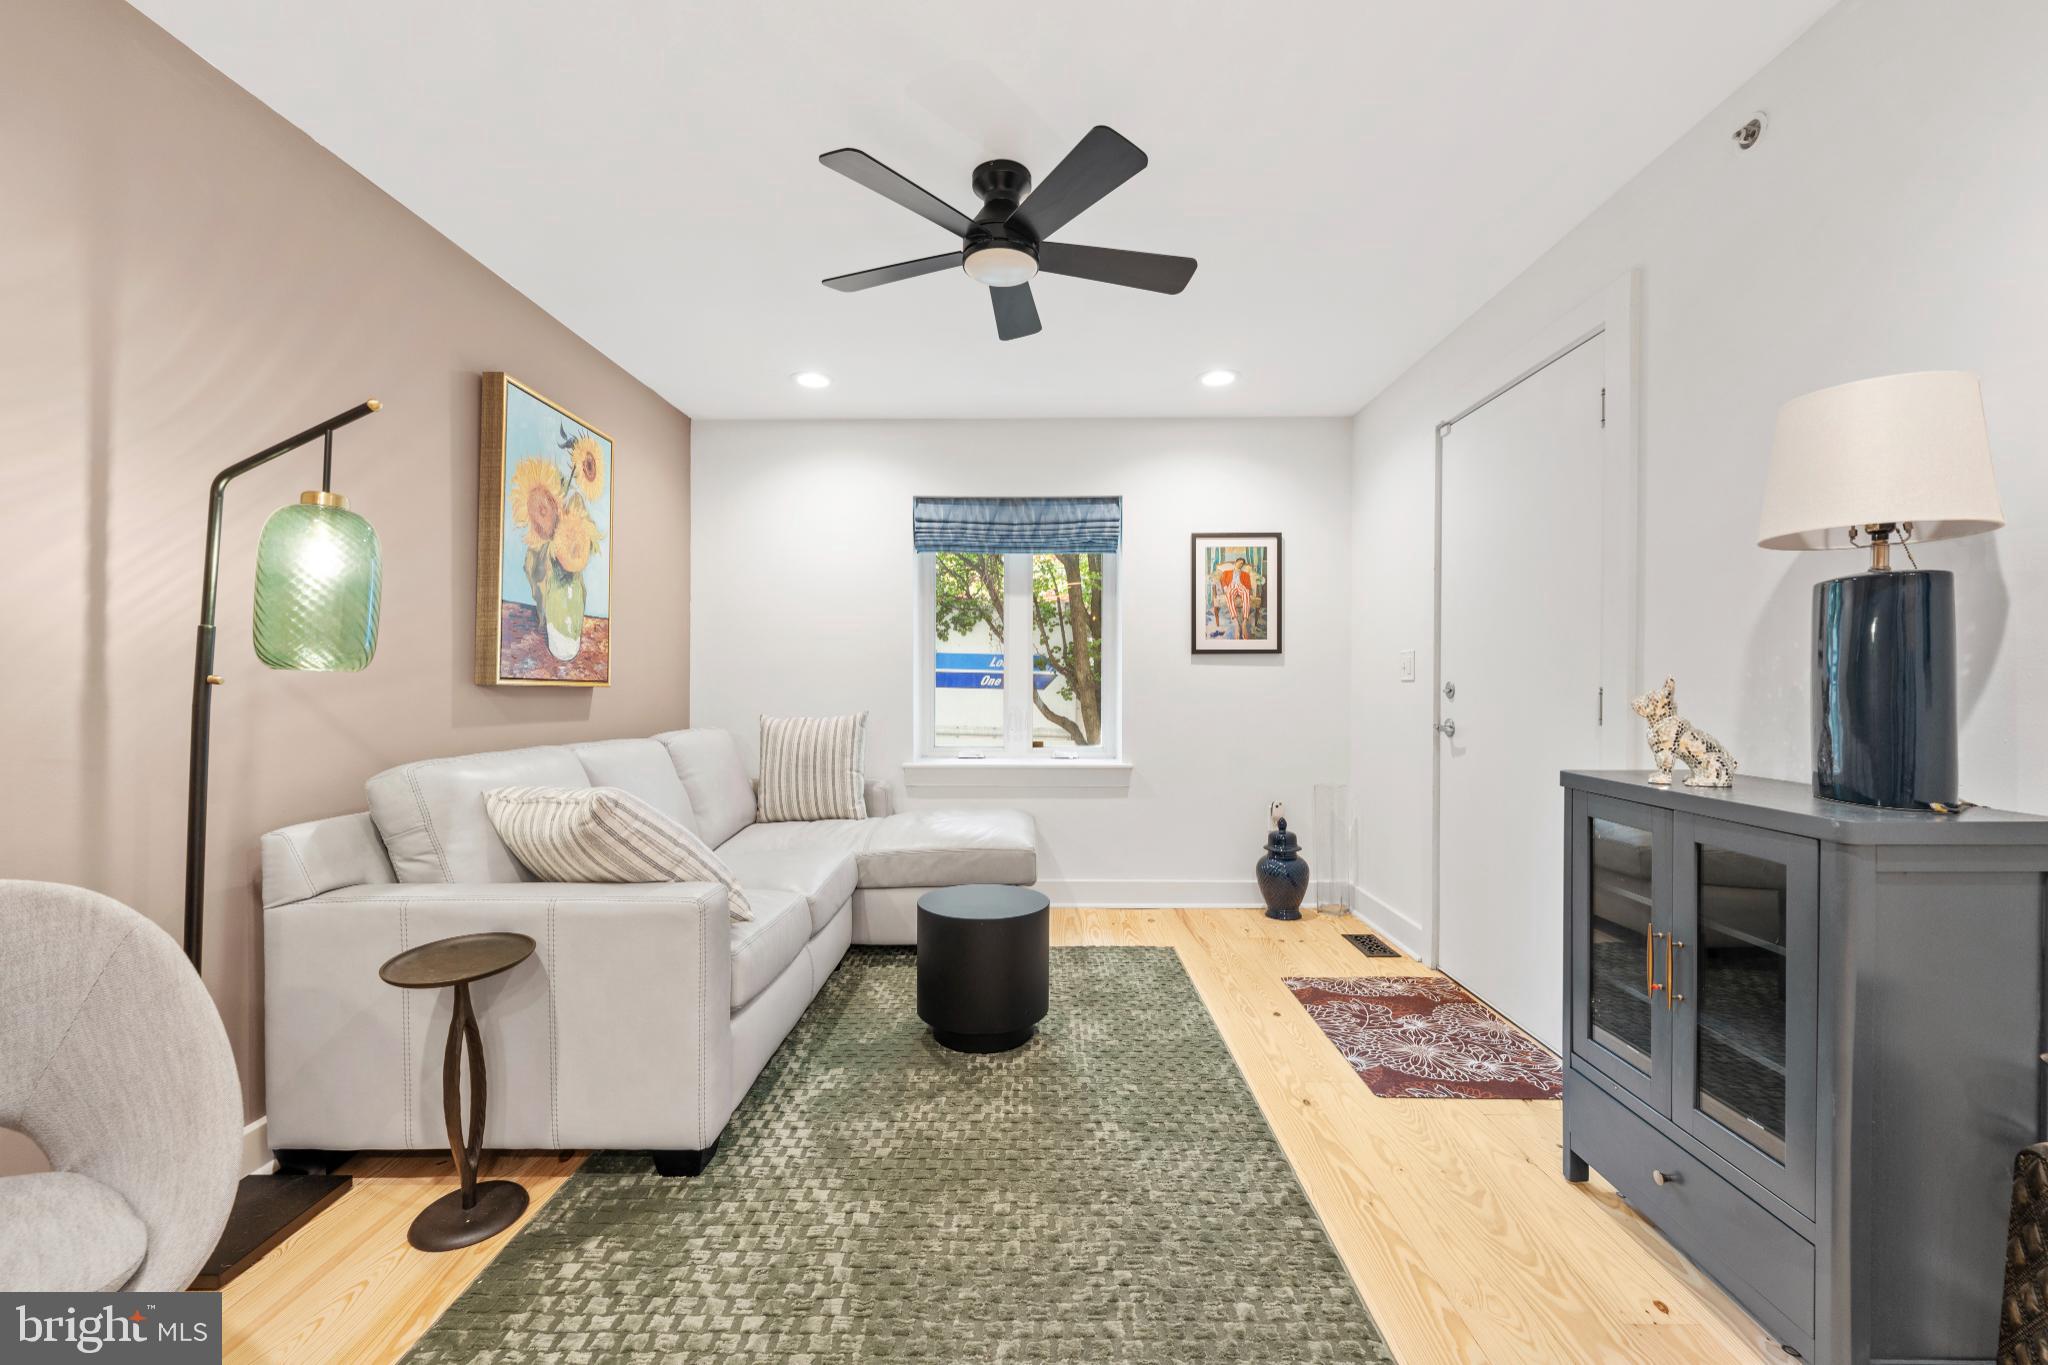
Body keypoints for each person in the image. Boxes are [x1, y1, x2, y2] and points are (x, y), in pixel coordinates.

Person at [1214, 555, 1260, 639]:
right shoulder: (1226, 572)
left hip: (1241, 586)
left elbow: (1248, 585)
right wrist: (1225, 587)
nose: (1241, 564)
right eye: (1239, 562)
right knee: (1229, 595)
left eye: (1242, 563)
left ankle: (1244, 622)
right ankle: (1236, 623)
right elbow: (1222, 580)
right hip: (1231, 586)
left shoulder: (1245, 574)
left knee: (1246, 593)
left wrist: (1248, 590)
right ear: (1236, 562)